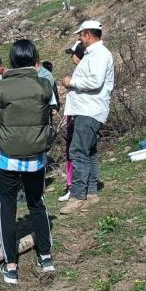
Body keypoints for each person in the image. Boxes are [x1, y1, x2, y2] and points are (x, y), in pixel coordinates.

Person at [0, 39, 56, 284]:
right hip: (35, 158)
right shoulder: (45, 85)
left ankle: (11, 266)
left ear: (12, 60)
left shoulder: (0, 87)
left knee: (6, 209)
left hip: (6, 158)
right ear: (34, 58)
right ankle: (46, 256)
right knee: (37, 203)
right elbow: (50, 113)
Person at [60, 20, 114, 215]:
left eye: (81, 35)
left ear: (89, 35)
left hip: (89, 110)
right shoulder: (95, 54)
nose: (79, 38)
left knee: (78, 152)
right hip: (88, 109)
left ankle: (77, 196)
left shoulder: (99, 54)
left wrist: (71, 82)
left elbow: (96, 81)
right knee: (89, 152)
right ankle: (91, 192)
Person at [58, 42, 86, 202]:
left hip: (78, 113)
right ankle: (72, 185)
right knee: (71, 149)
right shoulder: (79, 70)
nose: (71, 58)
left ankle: (73, 186)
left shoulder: (83, 71)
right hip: (73, 112)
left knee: (74, 151)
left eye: (73, 54)